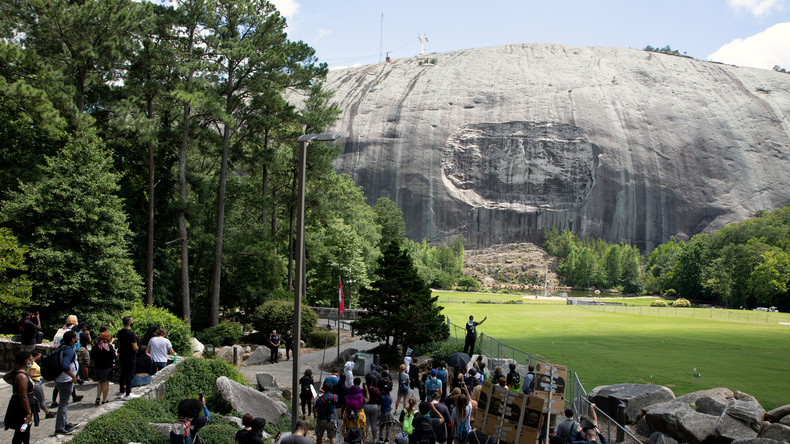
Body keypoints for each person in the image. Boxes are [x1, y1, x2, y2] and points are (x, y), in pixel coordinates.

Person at [3, 351, 39, 443]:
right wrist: (28, 413)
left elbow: (6, 377)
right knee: (21, 431)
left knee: (24, 432)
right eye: (31, 359)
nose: (32, 360)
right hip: (22, 406)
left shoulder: (17, 371)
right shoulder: (21, 376)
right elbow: (23, 397)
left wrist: (16, 385)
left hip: (23, 403)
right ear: (26, 361)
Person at [51, 315, 82, 407]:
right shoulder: (74, 328)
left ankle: (54, 401)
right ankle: (74, 396)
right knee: (68, 380)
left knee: (59, 384)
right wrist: (74, 376)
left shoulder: (64, 327)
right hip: (69, 353)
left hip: (60, 351)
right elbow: (65, 366)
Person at [54, 331, 79, 435]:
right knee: (63, 404)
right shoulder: (69, 350)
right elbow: (65, 366)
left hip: (60, 379)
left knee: (64, 403)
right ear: (73, 339)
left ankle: (66, 423)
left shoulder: (62, 347)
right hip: (65, 380)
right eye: (76, 337)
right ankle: (60, 428)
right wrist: (73, 376)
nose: (78, 338)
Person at [27, 350, 56, 419]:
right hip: (35, 384)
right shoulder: (33, 365)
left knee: (41, 399)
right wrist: (41, 374)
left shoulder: (29, 365)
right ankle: (48, 413)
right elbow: (31, 374)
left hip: (34, 383)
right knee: (42, 400)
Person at [117, 315, 139, 400]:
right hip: (130, 356)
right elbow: (134, 347)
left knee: (123, 373)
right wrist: (137, 349)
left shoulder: (120, 332)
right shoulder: (131, 334)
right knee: (129, 374)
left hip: (122, 355)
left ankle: (121, 391)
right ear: (130, 322)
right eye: (132, 321)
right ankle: (128, 393)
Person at [90, 331, 116, 405]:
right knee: (106, 383)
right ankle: (104, 399)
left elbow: (92, 356)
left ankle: (98, 397)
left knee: (100, 382)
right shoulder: (109, 347)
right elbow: (114, 356)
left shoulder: (96, 347)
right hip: (107, 367)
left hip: (98, 367)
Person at [363, 374, 381, 443]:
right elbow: (380, 398)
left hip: (366, 406)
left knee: (366, 423)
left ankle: (364, 438)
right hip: (374, 406)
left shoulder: (364, 390)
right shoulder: (376, 390)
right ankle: (375, 439)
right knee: (373, 424)